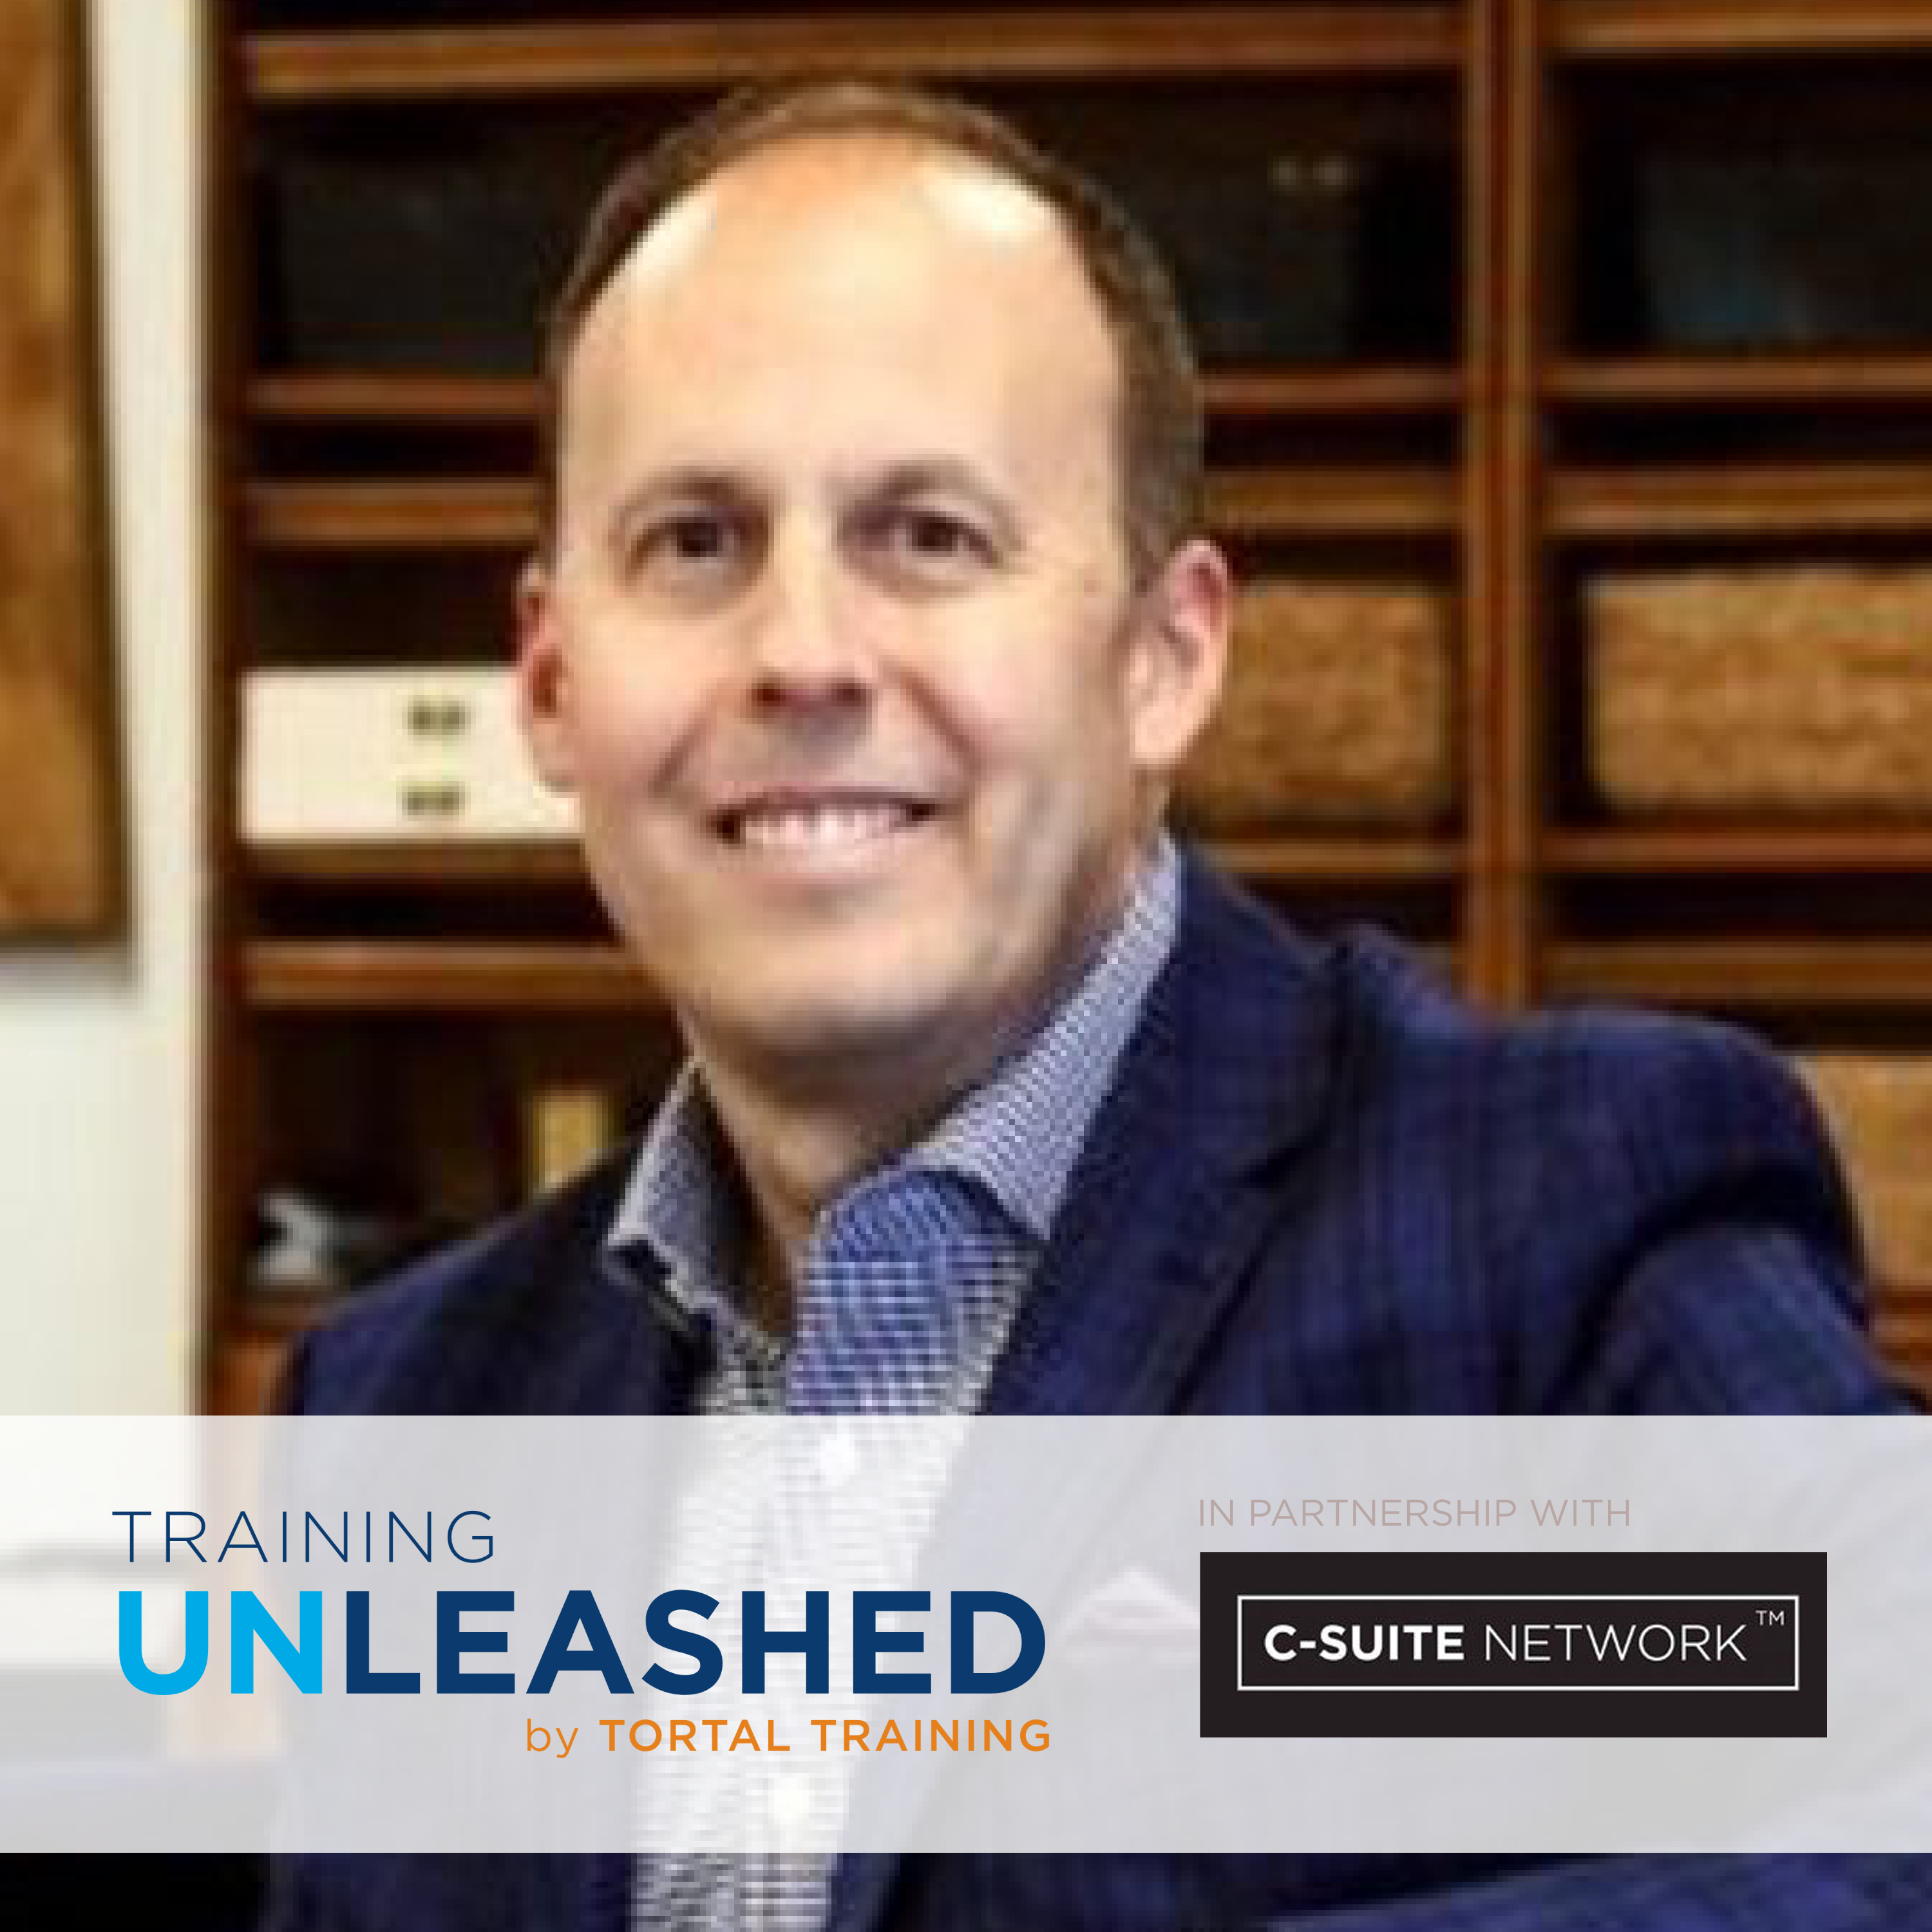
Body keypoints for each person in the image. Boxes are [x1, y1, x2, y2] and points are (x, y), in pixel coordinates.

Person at [272, 80, 1929, 1931]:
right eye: (695, 542)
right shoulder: (400, 1410)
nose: (803, 652)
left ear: (1165, 658)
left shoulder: (1555, 1228)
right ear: (554, 682)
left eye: (930, 534)